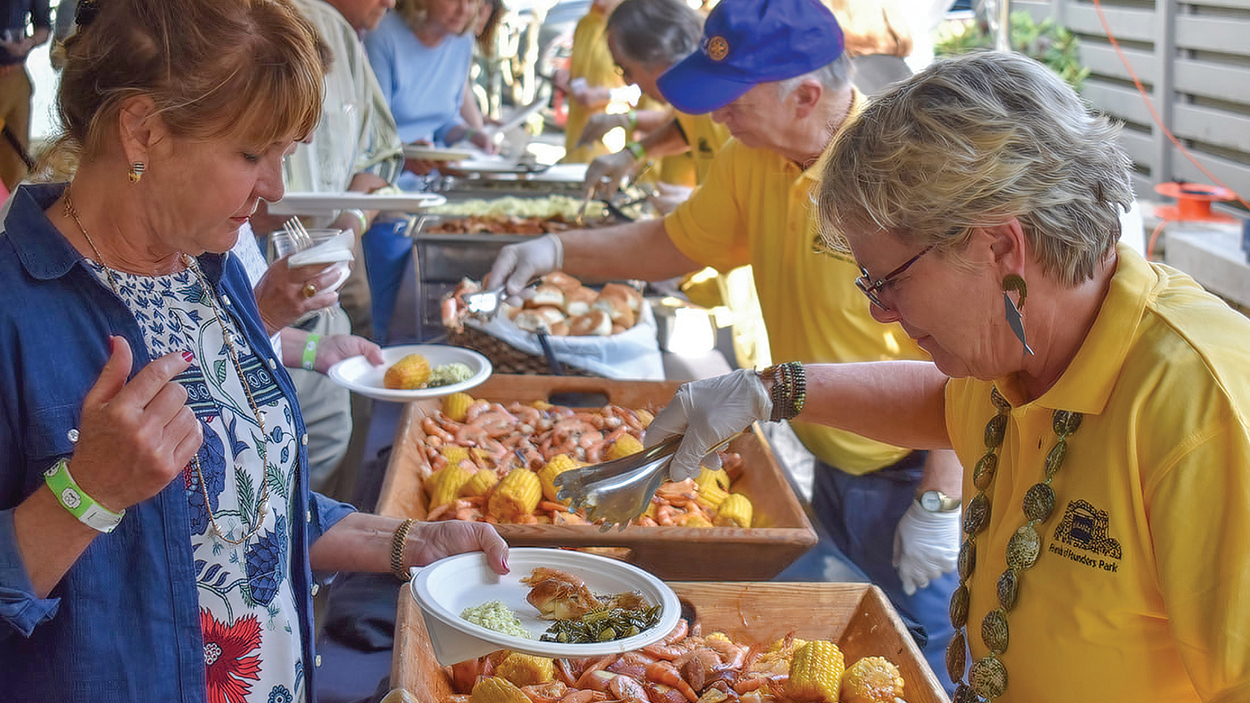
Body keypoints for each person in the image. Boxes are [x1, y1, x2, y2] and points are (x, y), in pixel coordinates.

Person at [643, 51, 1250, 702]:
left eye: (890, 280)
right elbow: (948, 403)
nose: (881, 309)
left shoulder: (1204, 407)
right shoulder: (1021, 346)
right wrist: (769, 388)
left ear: (1001, 248)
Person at [0, 2, 508, 701]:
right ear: (143, 130)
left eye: (283, 155)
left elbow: (248, 511)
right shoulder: (14, 309)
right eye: (250, 154)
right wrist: (85, 493)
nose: (275, 187)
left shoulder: (214, 268)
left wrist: (403, 541)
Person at [488, 0, 963, 687]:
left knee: (928, 648)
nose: (715, 119)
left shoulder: (899, 171)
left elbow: (960, 355)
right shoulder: (752, 159)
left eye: (731, 100)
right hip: (831, 446)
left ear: (805, 95)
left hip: (913, 465)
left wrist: (940, 501)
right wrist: (559, 248)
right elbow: (670, 242)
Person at [365, 0, 495, 158]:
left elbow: (445, 122)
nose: (463, 10)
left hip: (429, 171)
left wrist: (471, 135)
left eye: (470, 1)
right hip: (385, 166)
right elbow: (374, 128)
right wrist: (409, 152)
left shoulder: (463, 41)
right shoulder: (382, 35)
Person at [0, 0, 49, 189]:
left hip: (17, 77)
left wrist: (30, 42)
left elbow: (43, 27)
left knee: (15, 160)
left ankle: (7, 209)